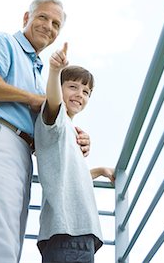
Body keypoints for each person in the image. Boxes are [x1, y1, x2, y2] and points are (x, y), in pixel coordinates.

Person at [0, 0, 91, 263]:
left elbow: (48, 126)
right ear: (26, 18)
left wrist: (75, 137)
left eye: (55, 24)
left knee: (5, 246)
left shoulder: (37, 72)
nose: (48, 26)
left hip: (20, 153)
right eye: (42, 17)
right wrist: (31, 98)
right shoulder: (2, 42)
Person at [34, 42, 115, 263]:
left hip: (74, 235)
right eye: (72, 87)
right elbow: (53, 101)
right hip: (70, 233)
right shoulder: (56, 120)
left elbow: (67, 177)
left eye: (86, 91)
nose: (80, 94)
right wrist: (54, 71)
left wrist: (98, 171)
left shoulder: (70, 130)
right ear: (59, 89)